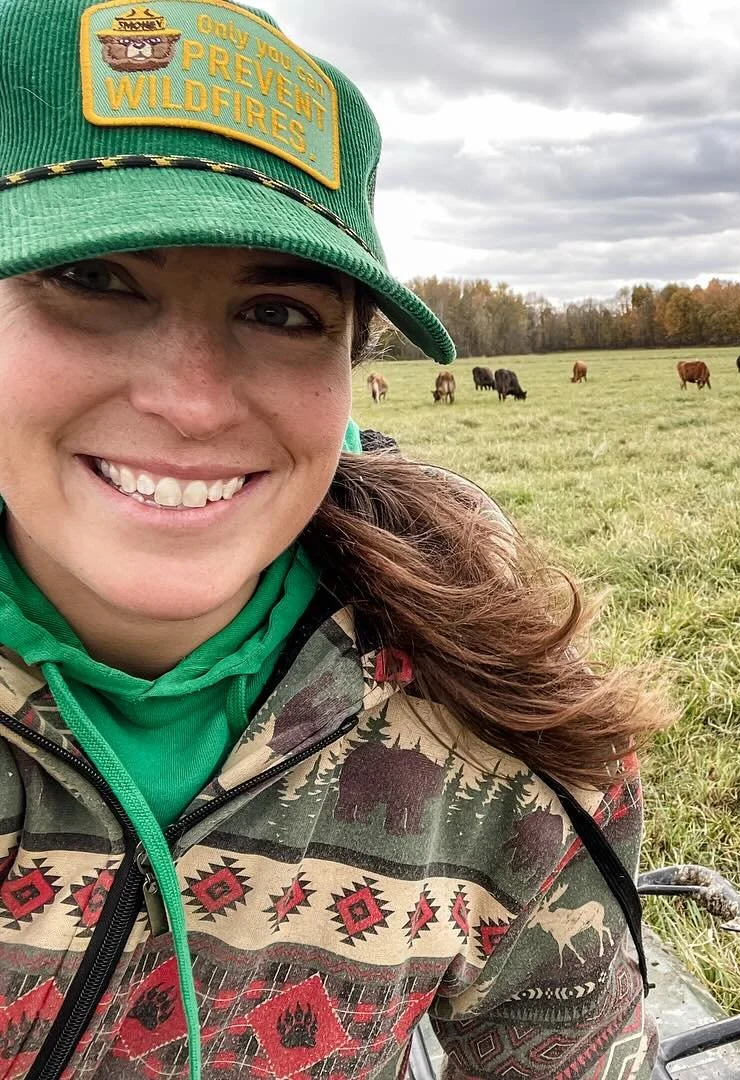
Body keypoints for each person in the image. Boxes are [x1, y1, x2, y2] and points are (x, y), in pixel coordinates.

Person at [0, 1, 670, 1077]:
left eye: (280, 313)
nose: (192, 401)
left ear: (349, 370)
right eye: (92, 279)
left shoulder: (502, 731)